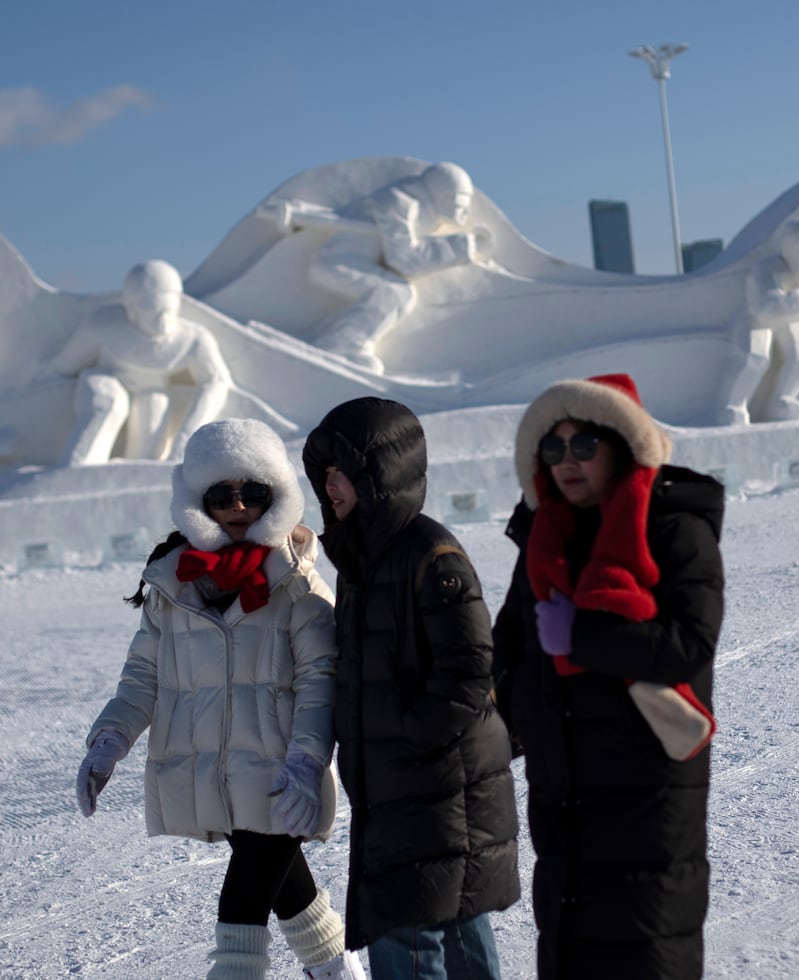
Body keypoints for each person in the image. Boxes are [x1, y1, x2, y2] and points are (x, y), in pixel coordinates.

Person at [75, 418, 365, 980]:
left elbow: (320, 682)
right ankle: (336, 969)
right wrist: (110, 739)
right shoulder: (172, 584)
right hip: (214, 770)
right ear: (198, 501)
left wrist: (307, 764)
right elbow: (143, 676)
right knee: (286, 886)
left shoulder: (297, 583)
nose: (238, 507)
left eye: (252, 493)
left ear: (274, 495)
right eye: (221, 495)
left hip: (280, 773)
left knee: (242, 905)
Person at [492, 374, 725, 979]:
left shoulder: (674, 526)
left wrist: (584, 639)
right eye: (553, 447)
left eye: (584, 444)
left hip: (646, 796)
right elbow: (509, 651)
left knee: (644, 955)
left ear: (621, 444)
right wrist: (509, 721)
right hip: (564, 794)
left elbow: (688, 645)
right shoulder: (544, 537)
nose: (567, 461)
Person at [302, 396, 520, 979]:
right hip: (404, 790)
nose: (330, 485)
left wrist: (408, 738)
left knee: (409, 936)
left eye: (341, 470)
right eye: (323, 473)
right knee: (452, 922)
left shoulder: (430, 552)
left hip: (435, 786)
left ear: (380, 476)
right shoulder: (361, 562)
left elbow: (471, 667)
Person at [261, 162, 493, 372]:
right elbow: (404, 259)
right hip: (337, 262)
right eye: (460, 200)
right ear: (443, 195)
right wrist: (463, 245)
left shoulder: (417, 206)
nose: (464, 210)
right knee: (393, 293)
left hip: (350, 260)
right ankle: (339, 346)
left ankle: (331, 337)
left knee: (394, 292)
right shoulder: (398, 203)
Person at [38, 259, 232, 465]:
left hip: (151, 390)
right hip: (106, 380)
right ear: (132, 310)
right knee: (110, 403)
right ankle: (76, 467)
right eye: (153, 312)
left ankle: (135, 476)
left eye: (167, 311)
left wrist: (185, 440)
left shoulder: (193, 339)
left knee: (155, 407)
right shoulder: (104, 326)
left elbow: (216, 381)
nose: (162, 321)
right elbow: (65, 366)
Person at [720, 216, 799, 423]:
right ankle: (732, 405)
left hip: (795, 320)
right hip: (758, 323)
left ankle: (783, 400)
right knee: (756, 358)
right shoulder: (767, 271)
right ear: (788, 255)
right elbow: (766, 307)